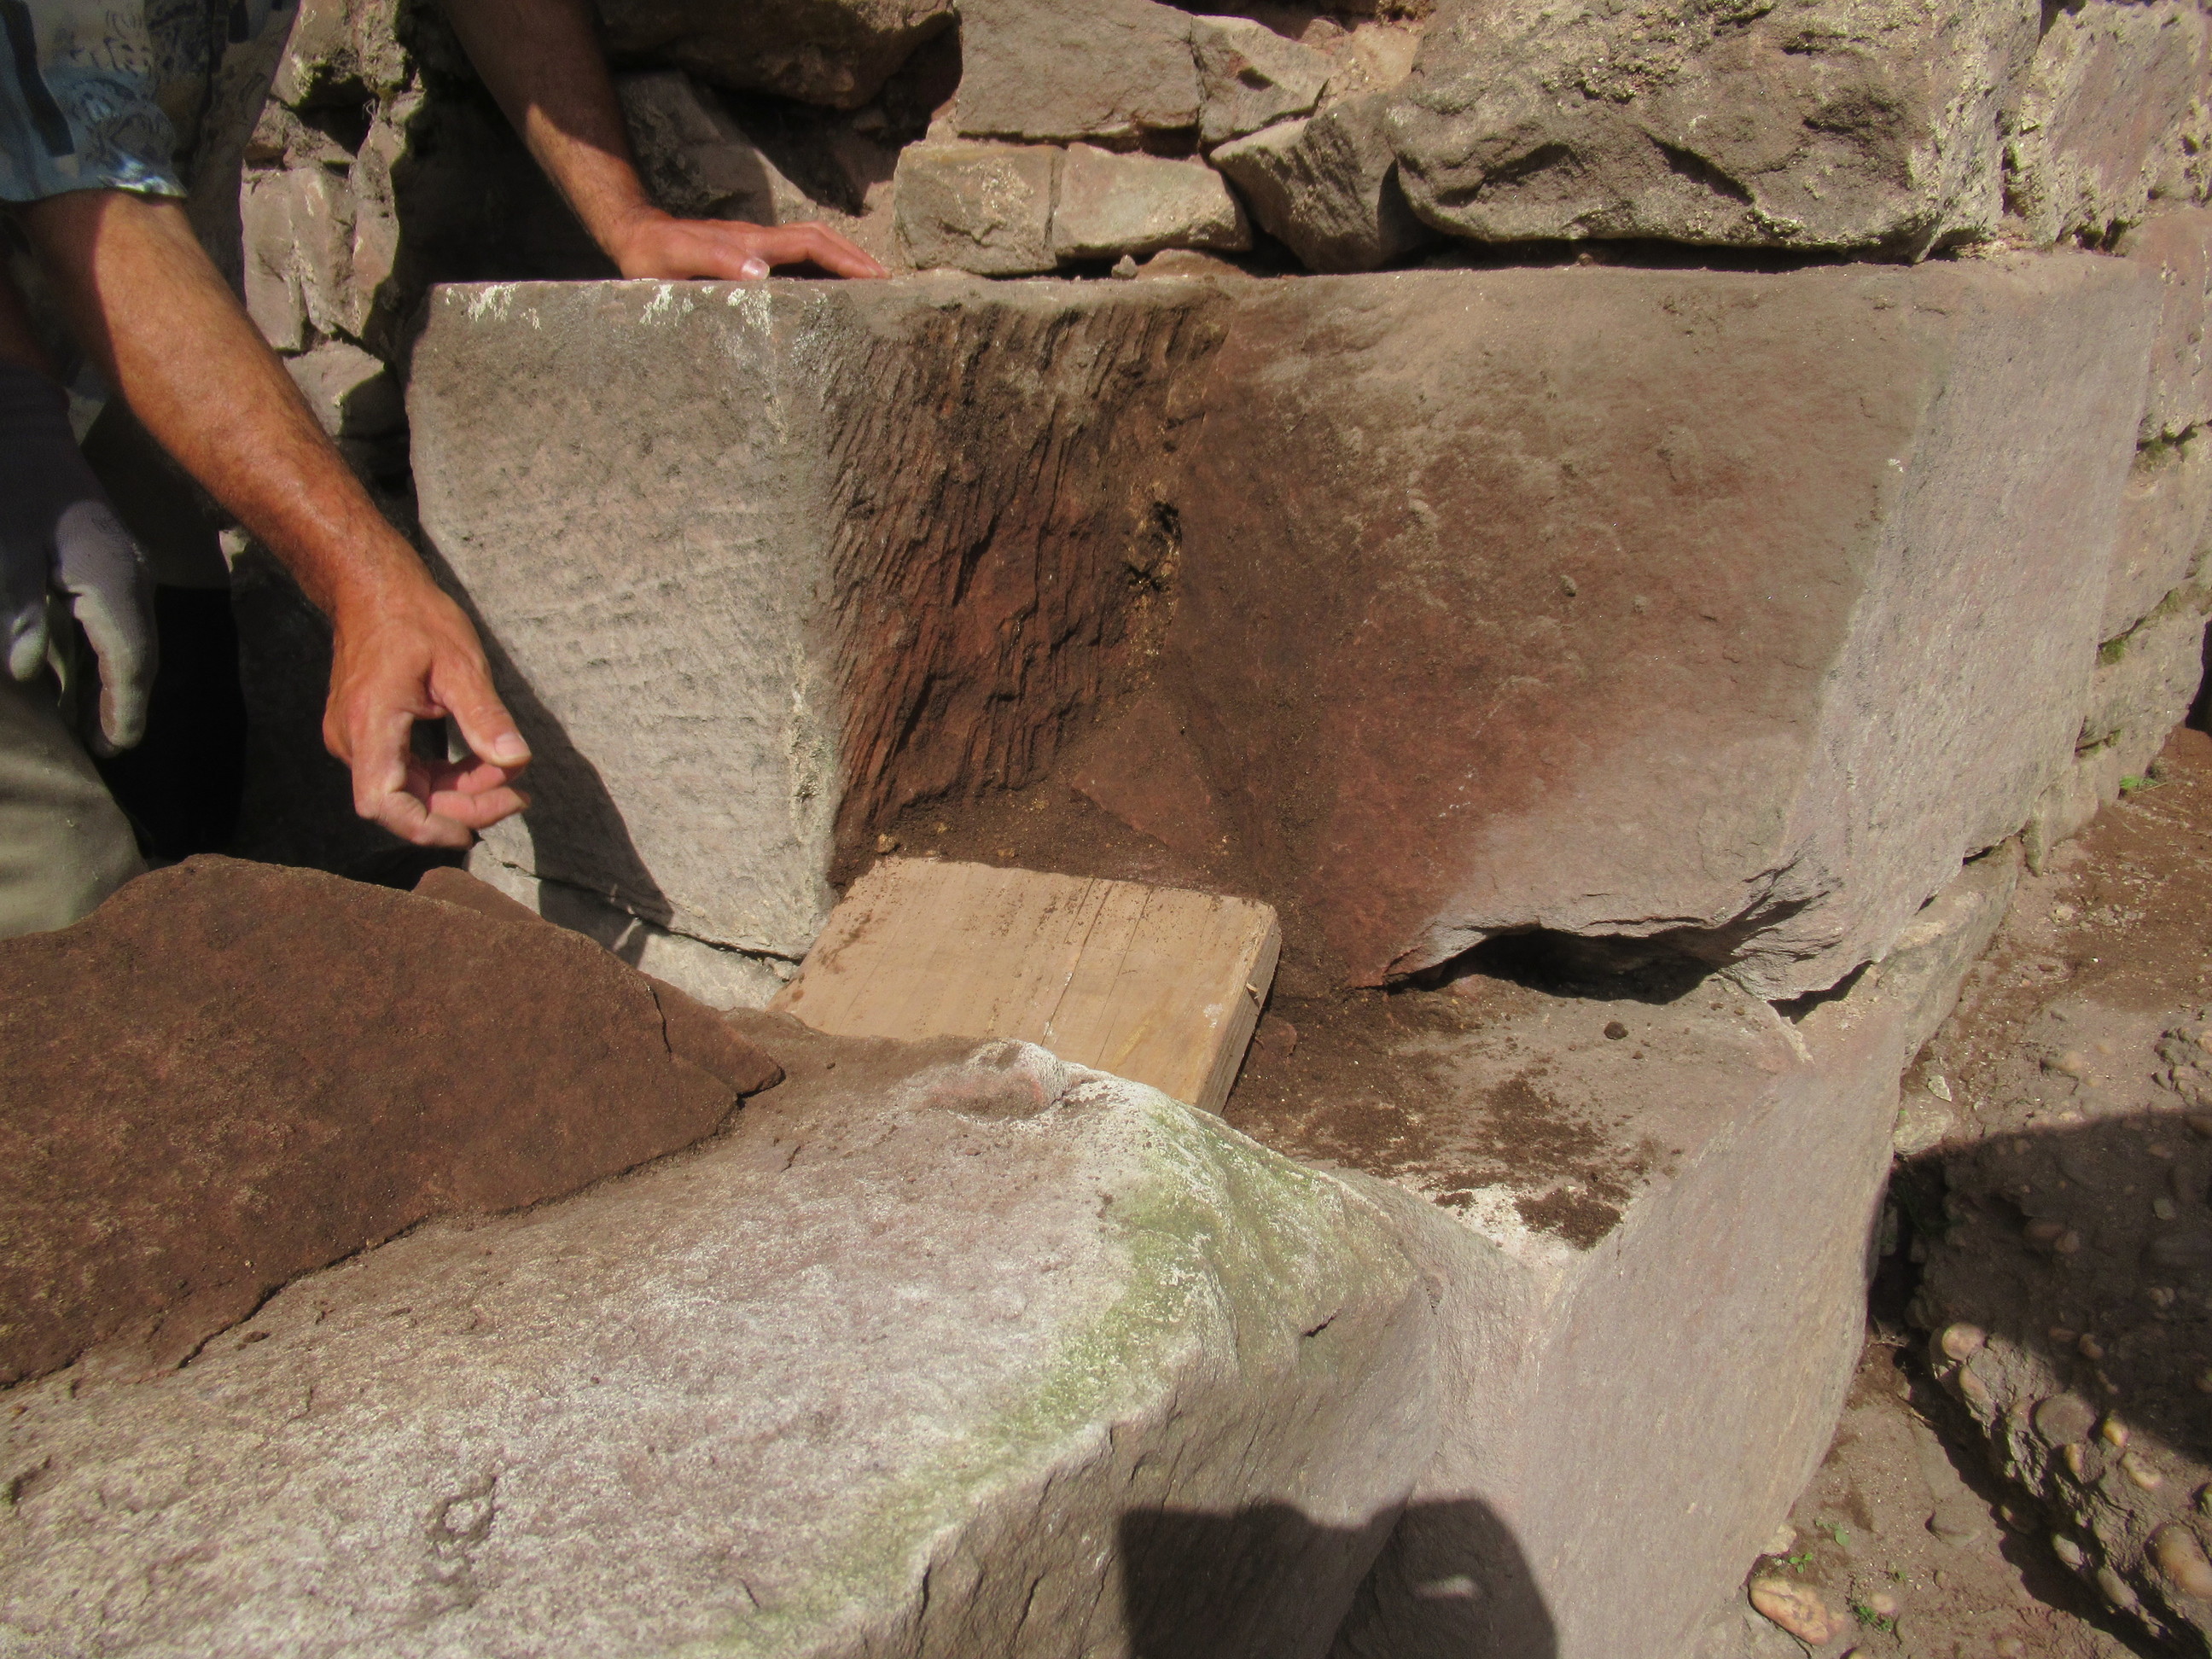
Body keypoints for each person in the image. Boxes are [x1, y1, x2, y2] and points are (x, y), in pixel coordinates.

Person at [0, 0, 883, 936]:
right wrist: (365, 582)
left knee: (183, 728)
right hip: (93, 279)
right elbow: (96, 206)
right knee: (71, 896)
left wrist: (626, 215)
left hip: (124, 344)